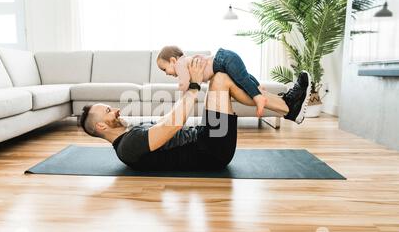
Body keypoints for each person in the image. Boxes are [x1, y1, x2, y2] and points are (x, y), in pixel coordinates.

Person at [79, 57, 311, 171]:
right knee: (220, 79)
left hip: (208, 138)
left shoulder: (130, 136)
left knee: (220, 78)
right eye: (108, 111)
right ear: (101, 127)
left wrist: (190, 83)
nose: (116, 109)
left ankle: (289, 107)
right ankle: (289, 106)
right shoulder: (128, 146)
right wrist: (193, 86)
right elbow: (172, 126)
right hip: (213, 150)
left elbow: (166, 121)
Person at [156, 46, 268, 118]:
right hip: (224, 59)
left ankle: (258, 97)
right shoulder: (184, 62)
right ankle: (257, 87)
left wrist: (181, 96)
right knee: (242, 77)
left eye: (164, 69)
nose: (166, 73)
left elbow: (184, 83)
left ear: (172, 60)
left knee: (241, 78)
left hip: (223, 60)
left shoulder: (180, 64)